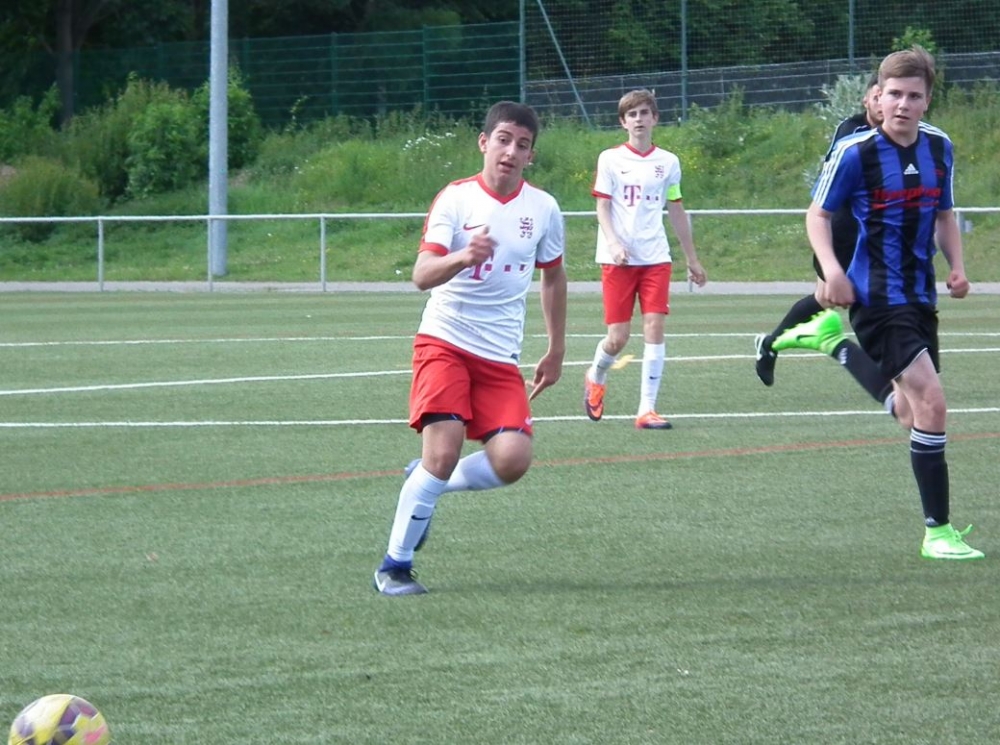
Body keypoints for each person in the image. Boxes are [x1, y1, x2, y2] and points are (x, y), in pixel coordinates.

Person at [770, 47, 983, 560]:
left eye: (914, 96)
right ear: (877, 97)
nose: (903, 104)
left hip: (919, 295)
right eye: (894, 94)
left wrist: (956, 266)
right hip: (877, 299)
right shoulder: (855, 152)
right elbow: (818, 215)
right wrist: (833, 270)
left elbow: (944, 214)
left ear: (927, 101)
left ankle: (835, 347)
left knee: (911, 414)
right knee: (933, 402)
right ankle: (938, 532)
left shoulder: (940, 148)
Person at [373, 101, 568, 596]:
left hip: (500, 357)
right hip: (445, 341)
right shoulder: (456, 199)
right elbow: (421, 275)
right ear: (484, 143)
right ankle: (394, 567)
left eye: (522, 145)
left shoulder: (543, 208)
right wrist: (463, 256)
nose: (511, 151)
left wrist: (556, 348)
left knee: (513, 460)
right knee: (443, 452)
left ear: (530, 156)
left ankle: (425, 480)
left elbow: (553, 276)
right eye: (503, 139)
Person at [754, 72, 905, 421]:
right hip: (843, 231)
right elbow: (833, 187)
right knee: (841, 298)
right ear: (868, 100)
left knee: (825, 299)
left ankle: (771, 344)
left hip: (873, 235)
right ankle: (879, 369)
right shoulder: (852, 131)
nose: (884, 103)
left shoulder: (905, 135)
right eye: (879, 95)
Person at [583, 88, 707, 430]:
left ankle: (647, 409)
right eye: (632, 114)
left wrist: (692, 258)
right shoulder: (610, 159)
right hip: (618, 261)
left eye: (644, 113)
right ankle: (595, 376)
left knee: (654, 326)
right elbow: (602, 206)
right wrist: (613, 243)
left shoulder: (668, 162)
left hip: (655, 258)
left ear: (655, 118)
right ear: (623, 122)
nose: (638, 119)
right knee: (618, 338)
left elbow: (676, 208)